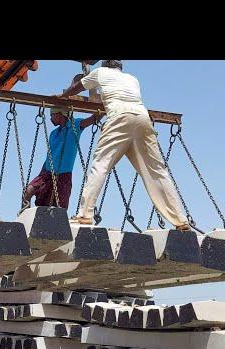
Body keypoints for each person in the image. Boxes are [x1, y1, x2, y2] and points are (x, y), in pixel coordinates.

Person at [59, 60, 191, 230]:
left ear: (105, 65)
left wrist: (63, 96)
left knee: (101, 165)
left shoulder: (100, 73)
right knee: (157, 171)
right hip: (142, 118)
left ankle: (84, 215)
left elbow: (78, 87)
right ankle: (180, 220)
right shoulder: (132, 79)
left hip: (118, 116)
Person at [23, 104, 102, 210]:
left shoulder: (75, 125)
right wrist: (41, 174)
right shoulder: (53, 133)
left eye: (52, 115)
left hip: (63, 175)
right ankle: (25, 216)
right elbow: (49, 157)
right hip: (47, 173)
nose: (50, 119)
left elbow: (92, 119)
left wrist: (103, 108)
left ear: (59, 114)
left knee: (59, 207)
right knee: (29, 190)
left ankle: (53, 225)